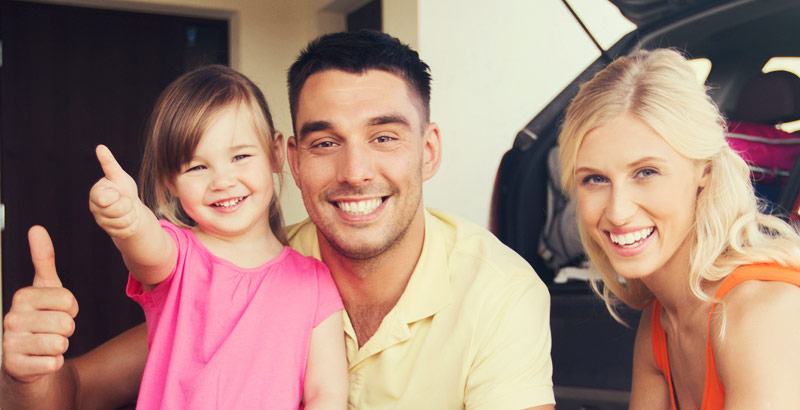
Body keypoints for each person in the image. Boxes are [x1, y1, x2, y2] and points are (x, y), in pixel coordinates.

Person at [1, 30, 554, 410]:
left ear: (428, 151)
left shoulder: (499, 293)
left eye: (384, 137)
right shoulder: (238, 265)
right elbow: (70, 392)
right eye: (325, 141)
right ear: (289, 158)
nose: (355, 171)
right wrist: (27, 369)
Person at [558, 48, 800, 410]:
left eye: (646, 172)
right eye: (595, 179)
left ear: (703, 169)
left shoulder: (763, 312)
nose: (618, 211)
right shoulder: (662, 317)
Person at [111, 64, 350, 409]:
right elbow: (146, 251)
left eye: (240, 156)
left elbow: (326, 394)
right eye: (197, 167)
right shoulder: (176, 255)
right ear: (168, 181)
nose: (222, 180)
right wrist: (130, 221)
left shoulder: (314, 281)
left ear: (274, 152)